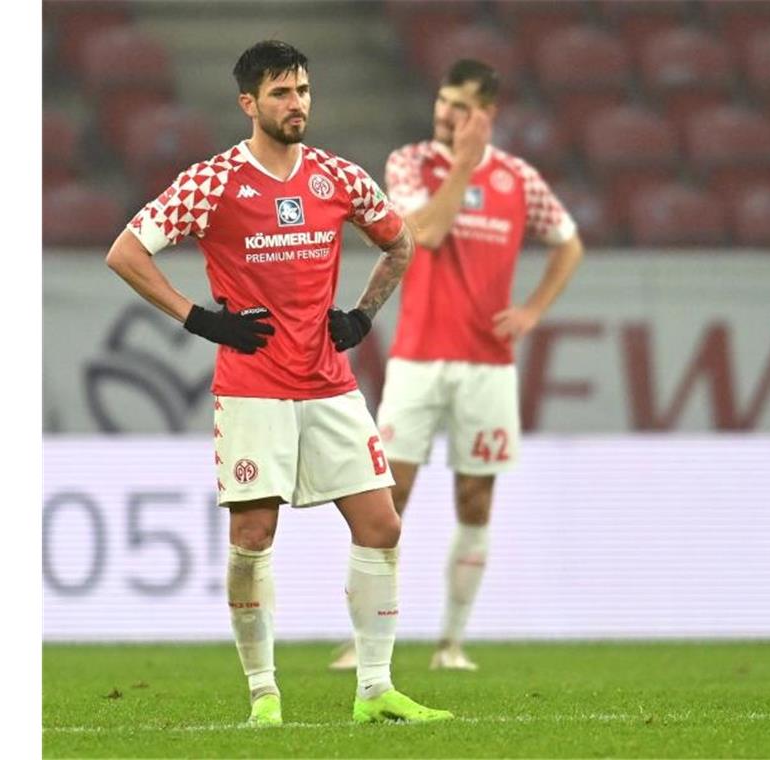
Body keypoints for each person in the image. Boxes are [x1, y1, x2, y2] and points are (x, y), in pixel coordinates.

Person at [105, 40, 453, 725]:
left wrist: (361, 314)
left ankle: (376, 689)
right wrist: (201, 320)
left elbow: (401, 241)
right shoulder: (214, 182)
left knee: (381, 523)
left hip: (328, 384)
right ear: (249, 104)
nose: (297, 105)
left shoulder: (337, 177)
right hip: (253, 386)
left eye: (303, 91)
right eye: (281, 94)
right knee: (254, 536)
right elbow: (126, 252)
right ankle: (264, 693)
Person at [329, 59, 584, 672]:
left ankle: (451, 643)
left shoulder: (519, 178)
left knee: (475, 500)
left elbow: (568, 243)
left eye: (460, 106)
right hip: (418, 358)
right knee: (392, 498)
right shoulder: (409, 163)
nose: (444, 113)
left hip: (488, 366)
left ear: (487, 114)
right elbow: (427, 234)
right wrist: (465, 164)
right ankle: (365, 642)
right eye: (443, 100)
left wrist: (531, 311)